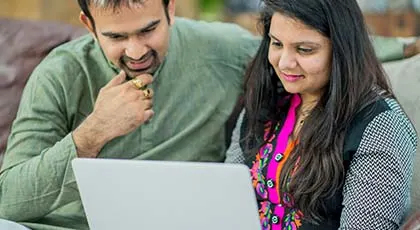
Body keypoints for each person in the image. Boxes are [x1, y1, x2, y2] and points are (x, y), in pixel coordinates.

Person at [0, 0, 414, 229]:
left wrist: (409, 45)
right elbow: (8, 201)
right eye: (115, 36)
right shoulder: (60, 73)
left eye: (147, 30)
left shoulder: (222, 50)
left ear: (172, 10)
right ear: (88, 25)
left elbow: (329, 37)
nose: (135, 50)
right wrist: (90, 135)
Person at [226, 0, 417, 229]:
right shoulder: (267, 98)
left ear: (342, 49)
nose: (285, 62)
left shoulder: (380, 125)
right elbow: (228, 199)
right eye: (277, 44)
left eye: (304, 49)